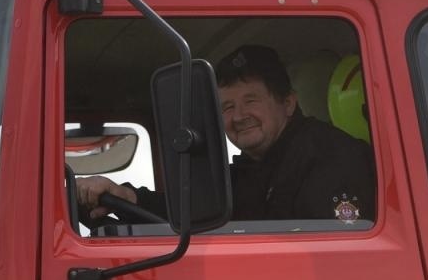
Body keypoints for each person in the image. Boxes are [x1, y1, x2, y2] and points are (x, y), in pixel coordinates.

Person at [76, 44, 376, 226]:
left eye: (251, 101)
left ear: (288, 103)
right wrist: (126, 196)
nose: (239, 116)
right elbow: (200, 212)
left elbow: (333, 253)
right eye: (227, 106)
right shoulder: (248, 171)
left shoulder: (331, 159)